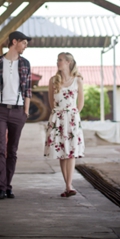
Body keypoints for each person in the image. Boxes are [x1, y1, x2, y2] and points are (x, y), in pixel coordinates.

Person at [0, 31, 32, 200]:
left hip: (18, 111)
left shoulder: (25, 63)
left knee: (12, 151)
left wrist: (26, 111)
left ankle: (8, 185)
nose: (25, 46)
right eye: (24, 42)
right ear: (14, 42)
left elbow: (28, 90)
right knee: (0, 150)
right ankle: (1, 187)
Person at [44, 52, 85, 197]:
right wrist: (60, 115)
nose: (57, 62)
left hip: (72, 119)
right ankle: (67, 185)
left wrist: (72, 116)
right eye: (57, 60)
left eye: (60, 60)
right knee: (62, 153)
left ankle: (69, 186)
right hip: (57, 119)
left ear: (68, 62)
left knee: (71, 153)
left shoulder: (77, 80)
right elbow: (51, 102)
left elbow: (80, 103)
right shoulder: (53, 80)